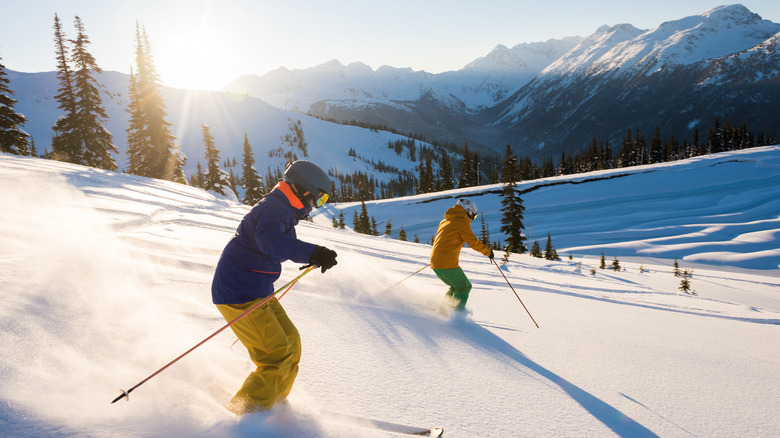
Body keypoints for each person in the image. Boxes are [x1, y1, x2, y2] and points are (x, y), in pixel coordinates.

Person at [211, 160, 338, 415]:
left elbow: (273, 244)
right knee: (276, 356)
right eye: (319, 199)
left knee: (291, 342)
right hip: (238, 293)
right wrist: (313, 252)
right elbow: (270, 242)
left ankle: (274, 403)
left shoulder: (283, 209)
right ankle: (247, 416)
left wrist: (312, 254)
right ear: (303, 190)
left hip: (255, 291)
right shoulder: (275, 209)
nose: (316, 206)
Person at [430, 198, 493, 312]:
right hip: (446, 262)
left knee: (456, 287)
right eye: (473, 215)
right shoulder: (461, 222)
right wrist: (488, 251)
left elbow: (438, 240)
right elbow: (473, 242)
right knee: (464, 287)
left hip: (436, 262)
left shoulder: (445, 221)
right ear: (468, 211)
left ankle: (443, 311)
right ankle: (455, 316)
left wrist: (437, 257)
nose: (472, 218)